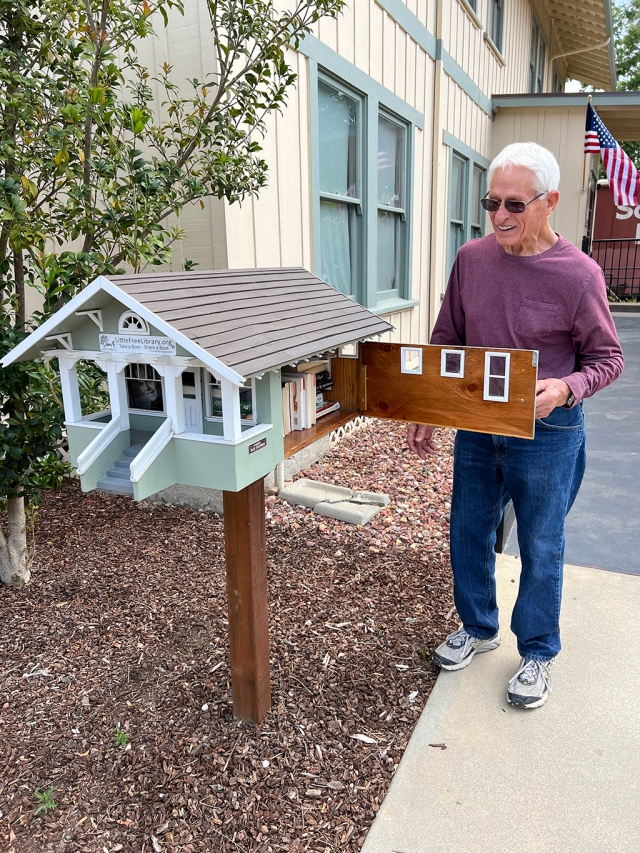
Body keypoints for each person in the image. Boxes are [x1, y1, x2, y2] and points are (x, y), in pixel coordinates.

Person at [408, 142, 623, 709]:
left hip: (549, 433)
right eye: (492, 202)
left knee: (541, 543)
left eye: (514, 205)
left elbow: (607, 358)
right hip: (478, 424)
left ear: (549, 202)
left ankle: (537, 652)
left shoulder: (580, 275)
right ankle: (479, 629)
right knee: (468, 531)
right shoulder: (472, 260)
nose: (500, 215)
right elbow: (447, 338)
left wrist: (566, 388)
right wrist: (432, 406)